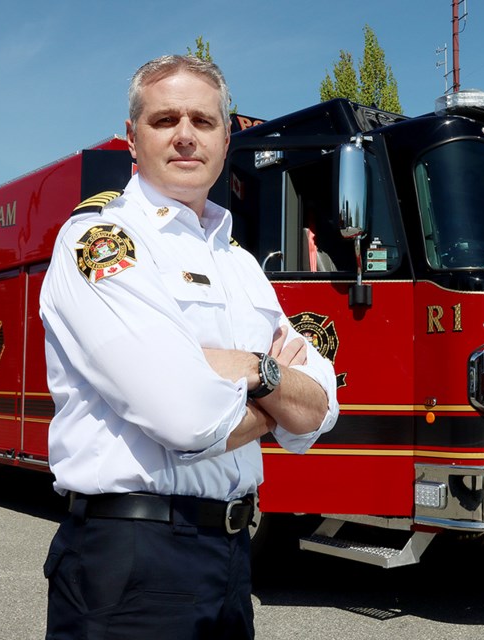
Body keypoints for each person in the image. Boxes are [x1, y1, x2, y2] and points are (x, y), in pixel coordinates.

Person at [39, 54, 339, 639]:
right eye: (164, 120)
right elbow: (186, 418)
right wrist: (279, 390)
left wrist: (253, 370)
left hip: (230, 556)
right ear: (132, 138)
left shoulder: (242, 265)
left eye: (203, 121)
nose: (185, 136)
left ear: (226, 138)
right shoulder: (101, 240)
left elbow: (323, 410)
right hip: (131, 562)